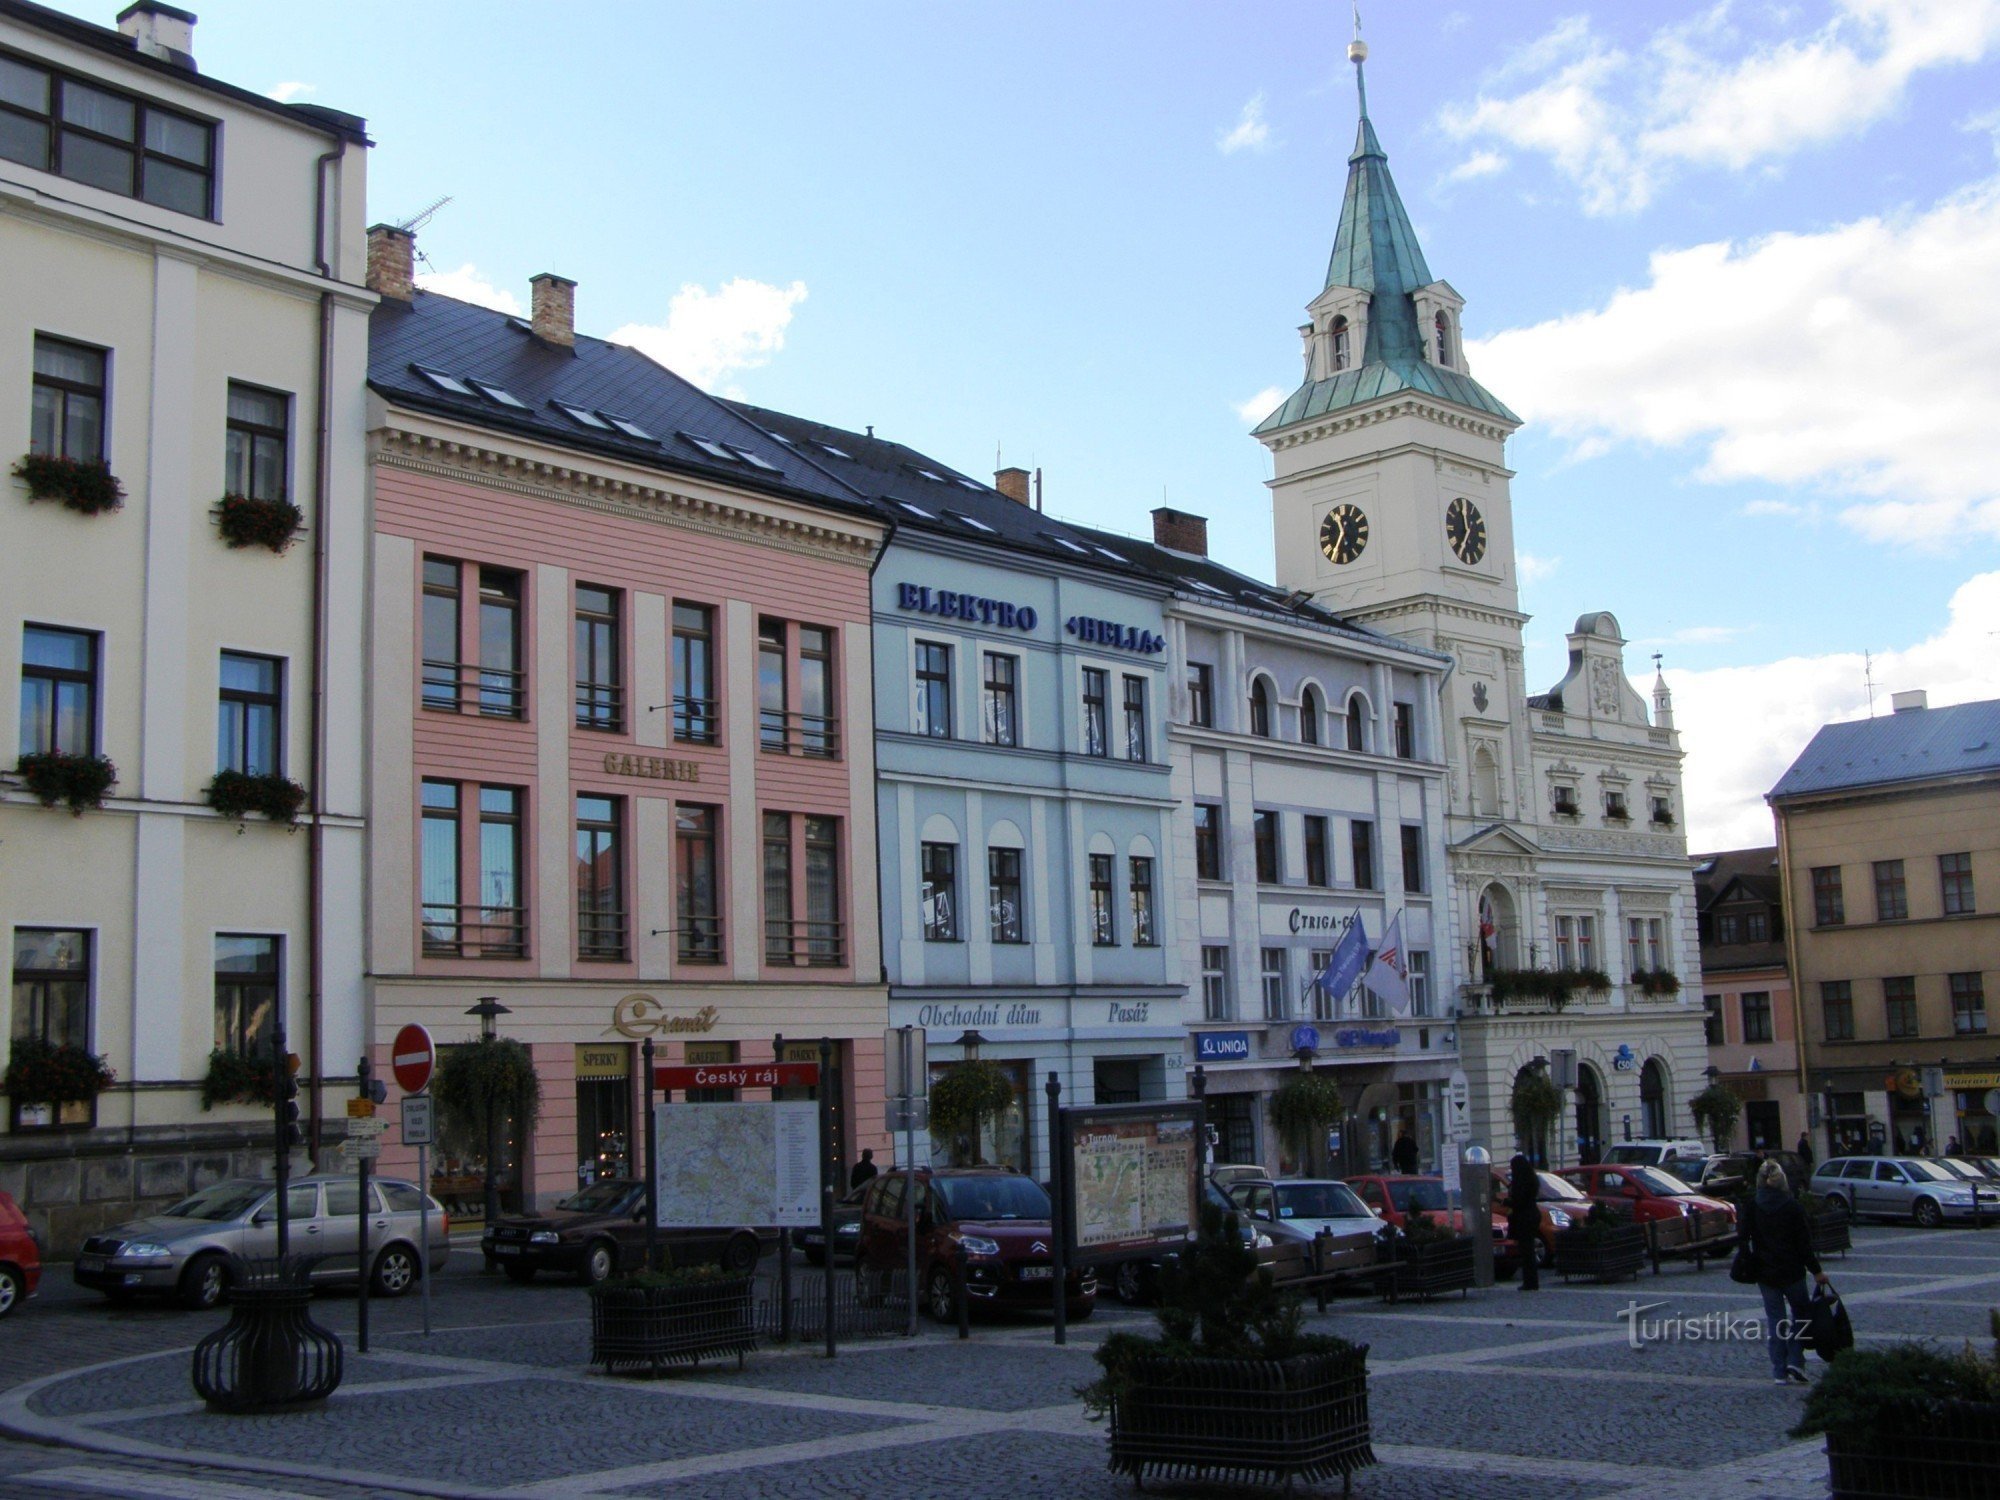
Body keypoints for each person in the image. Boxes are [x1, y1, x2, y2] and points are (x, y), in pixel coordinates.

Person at [1741, 1158, 1828, 1385]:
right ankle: (1795, 1359)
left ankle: (1779, 1370)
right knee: (1802, 1314)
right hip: (1792, 1270)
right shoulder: (1792, 1207)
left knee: (1776, 1320)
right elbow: (1804, 1244)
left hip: (1765, 1271)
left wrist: (1750, 1260)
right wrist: (1817, 1271)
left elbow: (1743, 1239)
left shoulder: (1752, 1206)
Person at [1507, 1153, 1541, 1292]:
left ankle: (1530, 1282)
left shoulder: (1520, 1182)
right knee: (1529, 1250)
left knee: (1526, 1251)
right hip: (1532, 1215)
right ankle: (1531, 1281)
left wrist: (1505, 1201)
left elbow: (1518, 1202)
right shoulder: (1531, 1179)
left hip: (1524, 1217)